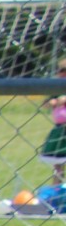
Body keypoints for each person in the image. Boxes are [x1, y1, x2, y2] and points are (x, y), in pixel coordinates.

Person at [39, 57, 66, 190]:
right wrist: (51, 102)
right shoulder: (57, 87)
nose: (61, 73)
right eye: (60, 70)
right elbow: (45, 104)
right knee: (58, 163)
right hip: (60, 129)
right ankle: (57, 188)